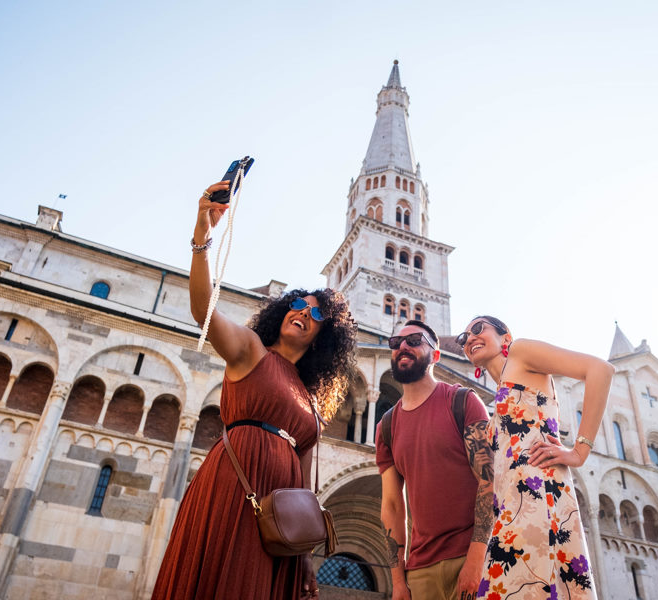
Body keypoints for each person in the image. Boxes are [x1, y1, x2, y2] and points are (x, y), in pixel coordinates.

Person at [152, 180, 358, 600]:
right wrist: (202, 237)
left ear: (325, 335)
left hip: (283, 512)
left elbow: (303, 471)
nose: (303, 311)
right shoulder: (251, 350)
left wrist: (303, 551)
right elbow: (203, 309)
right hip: (236, 483)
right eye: (297, 303)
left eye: (316, 312)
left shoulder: (309, 396)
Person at [455, 316, 614, 600]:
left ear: (505, 337)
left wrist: (579, 451)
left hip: (540, 499)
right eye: (463, 337)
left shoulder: (521, 351)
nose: (469, 338)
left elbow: (600, 369)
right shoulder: (500, 393)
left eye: (478, 329)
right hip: (514, 509)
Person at [376, 320, 493, 600]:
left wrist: (476, 560)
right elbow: (392, 505)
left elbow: (489, 482)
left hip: (472, 557)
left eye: (415, 340)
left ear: (436, 356)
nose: (403, 346)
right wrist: (399, 581)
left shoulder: (463, 401)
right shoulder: (386, 426)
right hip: (420, 572)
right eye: (396, 343)